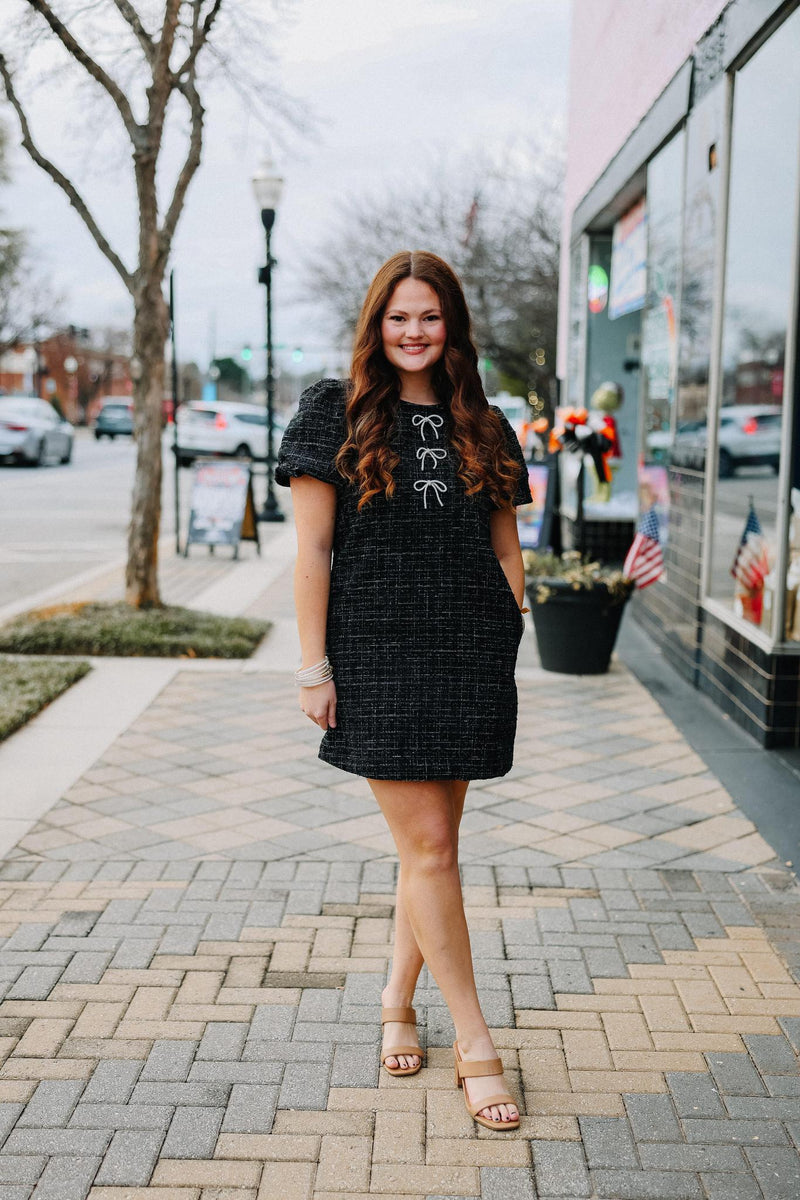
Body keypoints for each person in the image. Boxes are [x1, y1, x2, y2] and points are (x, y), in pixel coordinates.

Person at [275, 250, 532, 1132]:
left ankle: (396, 1002)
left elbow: (505, 544)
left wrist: (507, 626)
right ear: (375, 324)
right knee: (431, 846)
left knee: (431, 850)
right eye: (398, 317)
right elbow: (312, 551)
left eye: (429, 316)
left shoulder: (485, 423)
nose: (413, 332)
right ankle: (476, 1042)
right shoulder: (333, 411)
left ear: (450, 324)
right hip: (377, 655)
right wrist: (314, 667)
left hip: (470, 655)